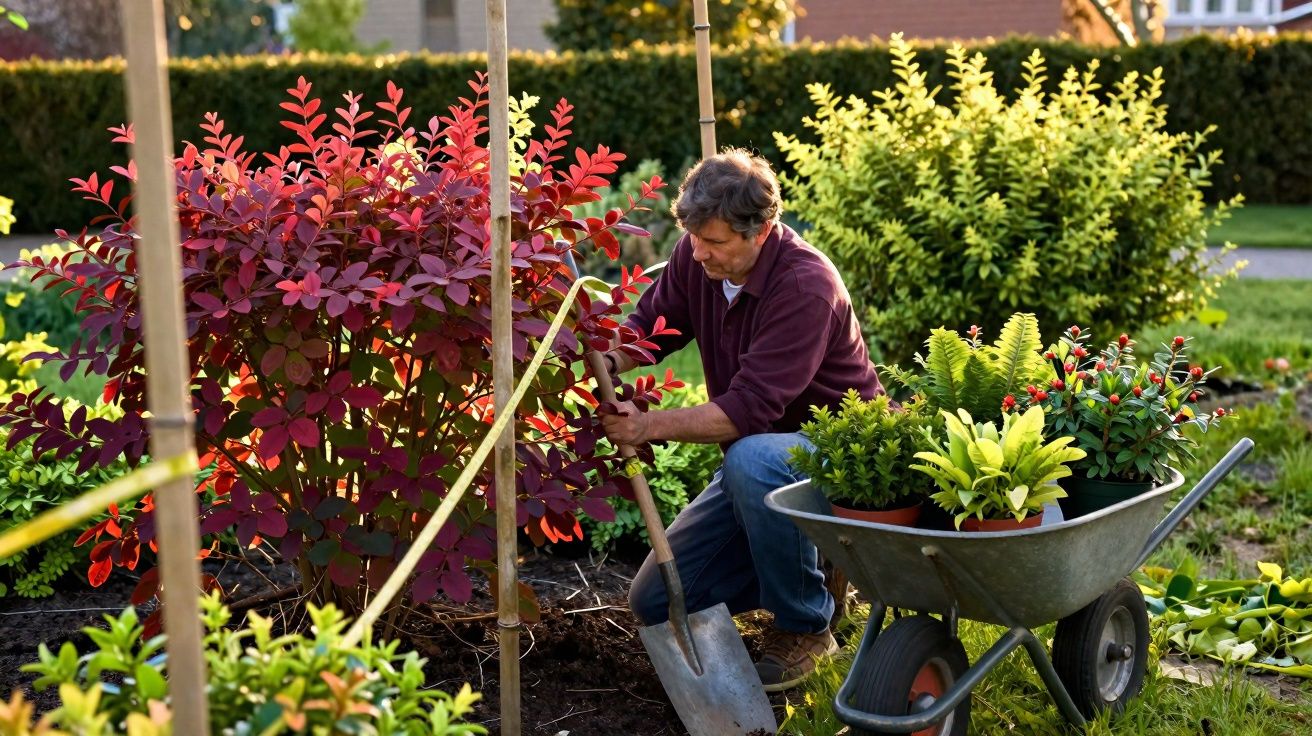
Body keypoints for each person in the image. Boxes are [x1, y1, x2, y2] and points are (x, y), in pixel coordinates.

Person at [596, 148, 885, 692]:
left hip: (841, 458)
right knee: (653, 601)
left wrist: (646, 426)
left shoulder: (805, 286)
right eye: (694, 238)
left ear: (763, 228)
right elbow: (651, 326)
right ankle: (815, 564)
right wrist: (607, 354)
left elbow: (749, 410)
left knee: (751, 456)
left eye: (716, 242)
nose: (698, 253)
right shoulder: (695, 255)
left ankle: (807, 624)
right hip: (768, 463)